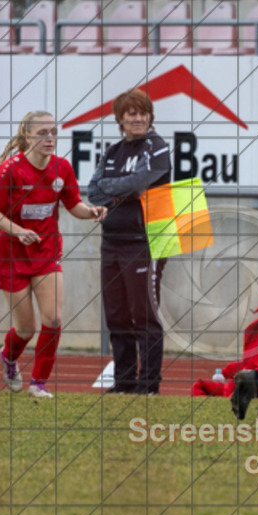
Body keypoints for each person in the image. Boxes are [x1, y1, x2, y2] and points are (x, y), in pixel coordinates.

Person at [0, 111, 106, 398]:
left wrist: (92, 212)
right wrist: (17, 231)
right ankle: (9, 357)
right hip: (11, 257)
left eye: (53, 132)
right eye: (42, 133)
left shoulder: (62, 168)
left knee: (52, 318)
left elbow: (74, 204)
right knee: (26, 328)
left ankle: (39, 383)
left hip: (46, 253)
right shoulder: (10, 170)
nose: (50, 139)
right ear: (27, 136)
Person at [87, 88, 171, 395]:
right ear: (120, 119)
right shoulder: (112, 152)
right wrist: (118, 189)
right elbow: (93, 192)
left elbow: (139, 183)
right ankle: (124, 381)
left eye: (142, 113)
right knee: (117, 314)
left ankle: (148, 384)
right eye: (131, 114)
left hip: (146, 242)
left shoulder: (157, 146)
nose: (138, 119)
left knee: (144, 314)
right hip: (111, 241)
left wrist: (114, 188)